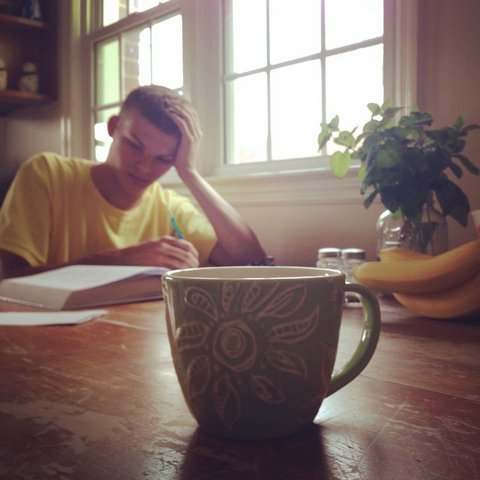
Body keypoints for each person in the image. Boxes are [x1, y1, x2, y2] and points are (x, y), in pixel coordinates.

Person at [0, 85, 267, 278]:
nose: (144, 166)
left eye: (163, 159)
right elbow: (8, 280)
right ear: (114, 127)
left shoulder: (169, 206)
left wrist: (189, 172)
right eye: (135, 146)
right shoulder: (46, 173)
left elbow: (252, 261)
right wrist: (122, 260)